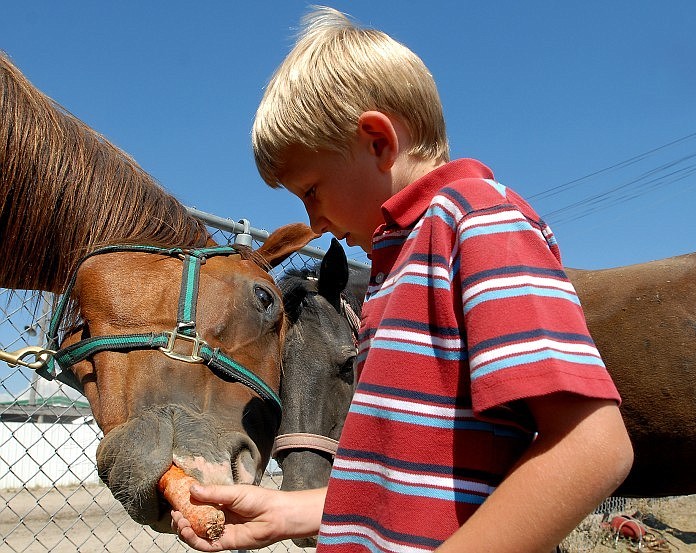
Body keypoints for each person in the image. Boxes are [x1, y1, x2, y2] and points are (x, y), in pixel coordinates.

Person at [172, 6, 634, 552]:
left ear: (377, 142)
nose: (314, 221)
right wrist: (287, 510)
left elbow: (593, 445)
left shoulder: (476, 221)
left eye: (312, 190)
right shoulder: (394, 270)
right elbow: (412, 479)